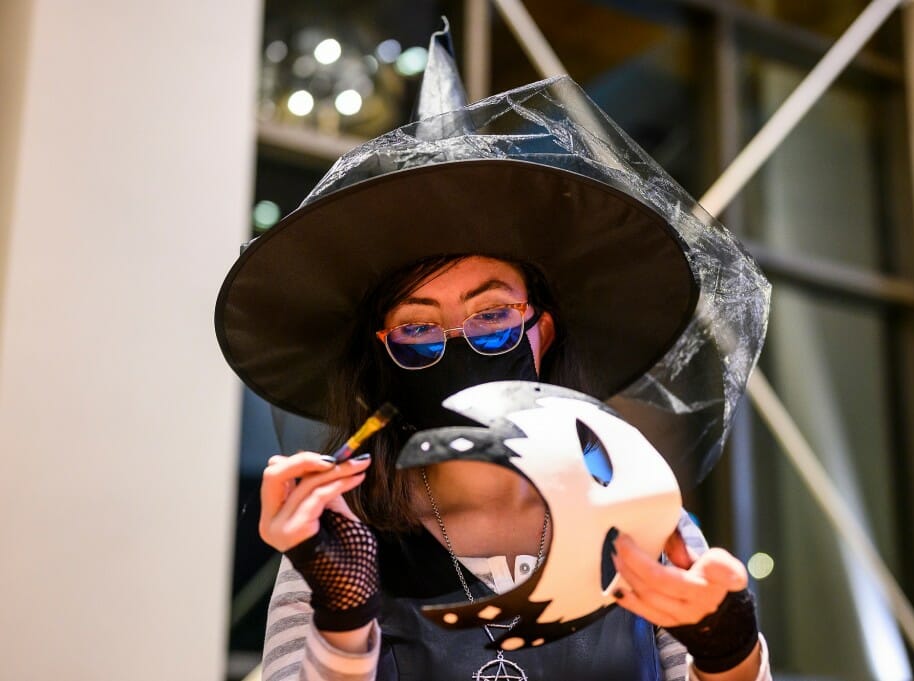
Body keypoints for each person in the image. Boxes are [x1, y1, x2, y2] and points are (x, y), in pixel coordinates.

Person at [215, 24, 772, 681]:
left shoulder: (639, 512)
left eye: (492, 314)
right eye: (418, 327)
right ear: (383, 351)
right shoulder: (342, 536)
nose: (459, 344)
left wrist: (727, 646)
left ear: (543, 328)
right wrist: (343, 615)